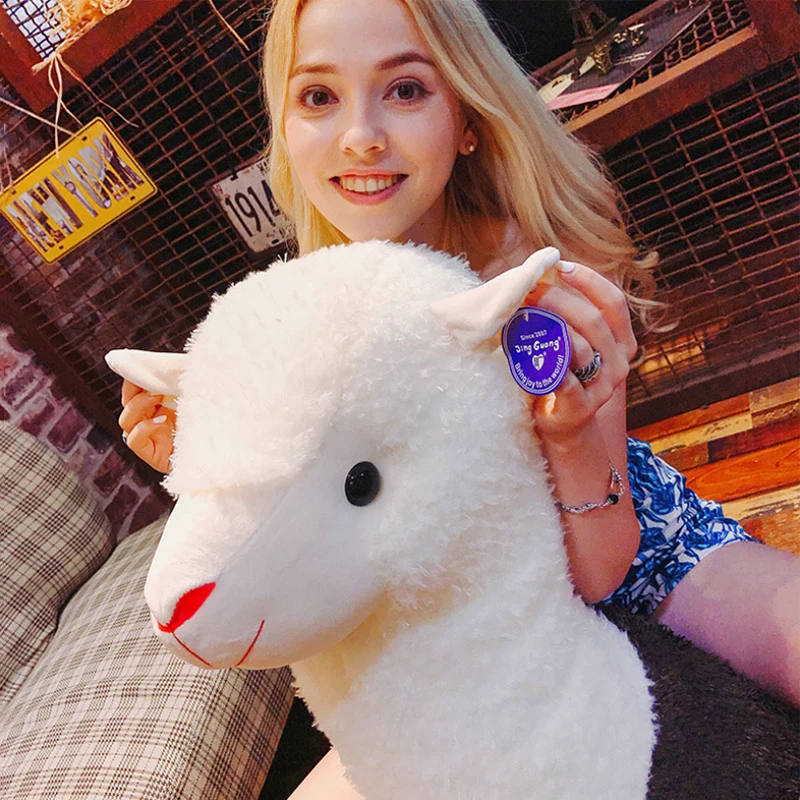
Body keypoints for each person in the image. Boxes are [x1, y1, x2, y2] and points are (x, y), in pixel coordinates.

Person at [120, 0, 799, 783]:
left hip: (641, 551)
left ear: (467, 116)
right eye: (318, 96)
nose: (361, 136)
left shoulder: (533, 271)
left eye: (405, 90)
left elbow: (602, 574)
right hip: (456, 637)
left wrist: (574, 433)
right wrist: (200, 462)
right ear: (285, 128)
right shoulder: (299, 316)